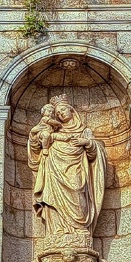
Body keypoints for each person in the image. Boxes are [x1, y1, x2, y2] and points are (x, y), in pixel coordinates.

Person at [27, 95, 106, 237]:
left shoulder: (84, 131)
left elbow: (95, 155)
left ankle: (79, 230)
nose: (60, 114)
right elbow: (35, 149)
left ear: (71, 110)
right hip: (54, 171)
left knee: (77, 191)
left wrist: (86, 143)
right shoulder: (52, 130)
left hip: (76, 170)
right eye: (57, 113)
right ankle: (57, 232)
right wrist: (34, 136)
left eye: (63, 110)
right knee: (53, 201)